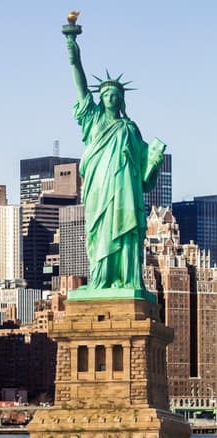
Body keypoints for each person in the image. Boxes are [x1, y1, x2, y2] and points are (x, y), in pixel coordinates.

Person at [66, 34, 165, 291]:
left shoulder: (130, 129)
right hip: (99, 187)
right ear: (101, 98)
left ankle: (128, 279)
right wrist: (74, 56)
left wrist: (154, 159)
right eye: (106, 94)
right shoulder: (94, 119)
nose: (110, 98)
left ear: (121, 100)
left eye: (114, 95)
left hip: (125, 190)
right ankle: (101, 279)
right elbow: (81, 85)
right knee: (99, 232)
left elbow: (144, 169)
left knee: (127, 230)